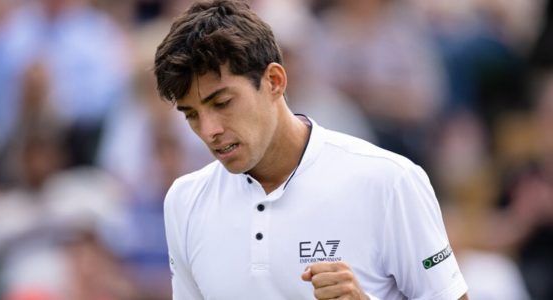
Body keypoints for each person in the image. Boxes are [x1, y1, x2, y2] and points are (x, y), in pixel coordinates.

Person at [153, 1, 469, 299]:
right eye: (191, 115)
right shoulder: (184, 201)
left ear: (275, 81)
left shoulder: (390, 181)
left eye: (222, 103)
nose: (209, 131)